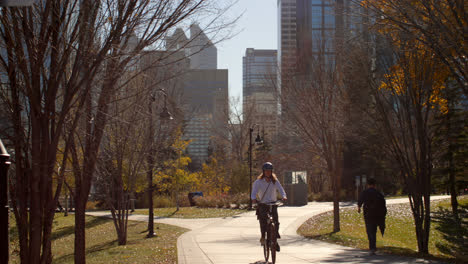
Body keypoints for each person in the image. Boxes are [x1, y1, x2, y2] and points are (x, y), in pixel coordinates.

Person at [251, 162, 287, 251]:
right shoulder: (258, 182)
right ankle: (263, 236)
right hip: (263, 204)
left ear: (271, 172)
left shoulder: (274, 181)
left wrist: (284, 196)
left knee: (276, 221)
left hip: (273, 203)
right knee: (263, 221)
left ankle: (274, 240)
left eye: (269, 171)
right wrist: (254, 199)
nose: (268, 172)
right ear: (263, 172)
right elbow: (254, 192)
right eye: (266, 171)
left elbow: (281, 189)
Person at [358, 178, 387, 255]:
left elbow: (360, 201)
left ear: (368, 184)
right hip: (377, 215)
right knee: (374, 230)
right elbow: (383, 204)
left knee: (369, 231)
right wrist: (383, 215)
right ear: (375, 185)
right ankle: (373, 247)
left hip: (368, 215)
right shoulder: (378, 193)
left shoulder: (365, 192)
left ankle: (372, 247)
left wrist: (359, 208)